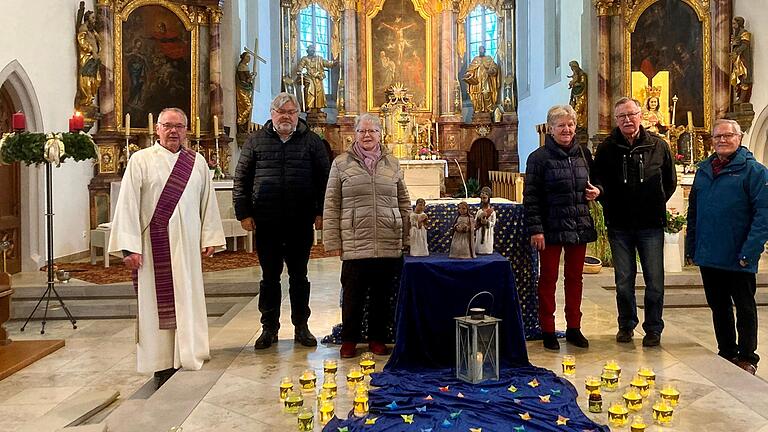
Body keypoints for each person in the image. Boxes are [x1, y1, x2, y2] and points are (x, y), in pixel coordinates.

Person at [108, 108, 225, 387]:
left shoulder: (196, 162)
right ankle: (160, 361)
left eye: (179, 126)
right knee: (155, 304)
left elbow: (206, 202)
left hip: (186, 246)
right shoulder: (140, 160)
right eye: (168, 126)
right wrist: (129, 247)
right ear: (157, 129)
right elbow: (128, 204)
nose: (174, 131)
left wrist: (208, 237)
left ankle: (190, 350)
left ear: (187, 130)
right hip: (152, 247)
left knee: (187, 296)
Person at [233, 92, 330, 350]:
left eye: (290, 112)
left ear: (297, 114)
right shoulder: (255, 142)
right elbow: (241, 179)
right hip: (267, 220)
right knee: (269, 277)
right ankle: (269, 328)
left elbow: (325, 181)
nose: (285, 116)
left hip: (300, 220)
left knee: (300, 276)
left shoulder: (312, 142)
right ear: (272, 114)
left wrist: (321, 212)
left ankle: (301, 326)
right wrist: (243, 213)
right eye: (280, 111)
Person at [323, 113, 411, 359]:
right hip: (355, 238)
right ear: (355, 134)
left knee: (381, 296)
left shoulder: (392, 163)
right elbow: (331, 203)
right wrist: (333, 241)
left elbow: (403, 201)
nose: (367, 136)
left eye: (372, 131)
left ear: (380, 134)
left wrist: (407, 235)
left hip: (387, 236)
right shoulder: (341, 164)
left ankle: (377, 339)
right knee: (353, 294)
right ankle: (349, 339)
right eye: (362, 131)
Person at [592, 97, 677, 347]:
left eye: (631, 114)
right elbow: (599, 182)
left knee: (655, 281)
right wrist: (606, 200)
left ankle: (653, 328)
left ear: (640, 116)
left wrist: (654, 202)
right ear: (616, 121)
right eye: (622, 117)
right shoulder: (607, 148)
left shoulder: (658, 146)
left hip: (650, 224)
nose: (627, 120)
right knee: (624, 280)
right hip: (619, 224)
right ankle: (626, 325)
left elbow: (669, 182)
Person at [686, 119, 768, 375]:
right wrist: (693, 246)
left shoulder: (754, 172)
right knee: (718, 306)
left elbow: (763, 214)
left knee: (744, 306)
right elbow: (694, 211)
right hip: (709, 254)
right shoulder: (704, 170)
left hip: (739, 254)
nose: (722, 140)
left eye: (728, 135)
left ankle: (747, 356)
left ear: (739, 138)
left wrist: (750, 251)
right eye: (717, 136)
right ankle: (726, 351)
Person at [524, 105, 599, 350]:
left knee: (575, 278)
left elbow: (596, 183)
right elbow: (531, 196)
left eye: (570, 125)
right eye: (561, 125)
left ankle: (574, 327)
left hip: (578, 223)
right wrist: (536, 229)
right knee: (548, 279)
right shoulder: (538, 158)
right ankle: (547, 329)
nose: (566, 129)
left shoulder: (584, 154)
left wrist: (596, 191)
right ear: (551, 129)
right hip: (550, 226)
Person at [75, 9, 101, 114]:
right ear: (87, 19)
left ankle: (90, 98)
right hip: (87, 58)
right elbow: (81, 41)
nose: (94, 20)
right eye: (92, 18)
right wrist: (91, 50)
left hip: (94, 59)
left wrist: (98, 52)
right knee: (86, 78)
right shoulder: (83, 28)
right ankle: (86, 99)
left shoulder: (93, 32)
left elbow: (98, 43)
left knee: (96, 80)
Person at [296, 44, 337, 110]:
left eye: (313, 50)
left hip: (318, 77)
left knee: (318, 89)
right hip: (309, 77)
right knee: (310, 86)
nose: (312, 51)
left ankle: (318, 107)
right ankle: (309, 106)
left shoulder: (319, 58)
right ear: (308, 51)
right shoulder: (305, 58)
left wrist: (333, 63)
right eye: (311, 49)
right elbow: (300, 67)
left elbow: (327, 63)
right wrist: (300, 71)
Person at [462, 46, 499, 113]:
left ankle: (489, 109)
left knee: (486, 93)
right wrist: (468, 74)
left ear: (484, 51)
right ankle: (478, 109)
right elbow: (471, 70)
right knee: (477, 95)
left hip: (486, 80)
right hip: (477, 81)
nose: (480, 51)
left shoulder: (489, 58)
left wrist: (491, 71)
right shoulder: (475, 59)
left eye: (482, 50)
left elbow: (495, 69)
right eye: (479, 50)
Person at [730, 16, 753, 104]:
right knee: (739, 78)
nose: (733, 26)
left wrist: (736, 52)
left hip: (743, 60)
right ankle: (739, 97)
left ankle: (742, 99)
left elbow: (744, 45)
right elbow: (735, 44)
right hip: (738, 61)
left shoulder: (744, 33)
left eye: (734, 23)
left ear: (739, 23)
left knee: (744, 78)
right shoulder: (736, 34)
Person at [235, 51, 256, 133]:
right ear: (243, 58)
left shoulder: (245, 67)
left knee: (247, 107)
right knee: (247, 107)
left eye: (250, 57)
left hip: (246, 88)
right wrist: (253, 76)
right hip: (242, 89)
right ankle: (240, 121)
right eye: (247, 57)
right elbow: (246, 79)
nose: (249, 59)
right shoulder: (242, 67)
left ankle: (244, 126)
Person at [474, 186, 496, 255]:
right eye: (482, 198)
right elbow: (475, 222)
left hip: (487, 232)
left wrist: (487, 222)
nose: (483, 200)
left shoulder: (492, 212)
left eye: (485, 198)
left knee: (487, 244)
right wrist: (479, 219)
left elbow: (493, 223)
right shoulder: (479, 211)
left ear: (488, 198)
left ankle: (487, 250)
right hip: (480, 231)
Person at [567, 61, 588, 129]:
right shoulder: (576, 75)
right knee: (574, 110)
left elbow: (582, 84)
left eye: (573, 68)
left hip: (581, 95)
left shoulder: (582, 75)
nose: (572, 70)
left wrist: (574, 83)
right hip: (576, 95)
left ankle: (580, 125)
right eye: (571, 68)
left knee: (577, 110)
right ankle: (577, 125)